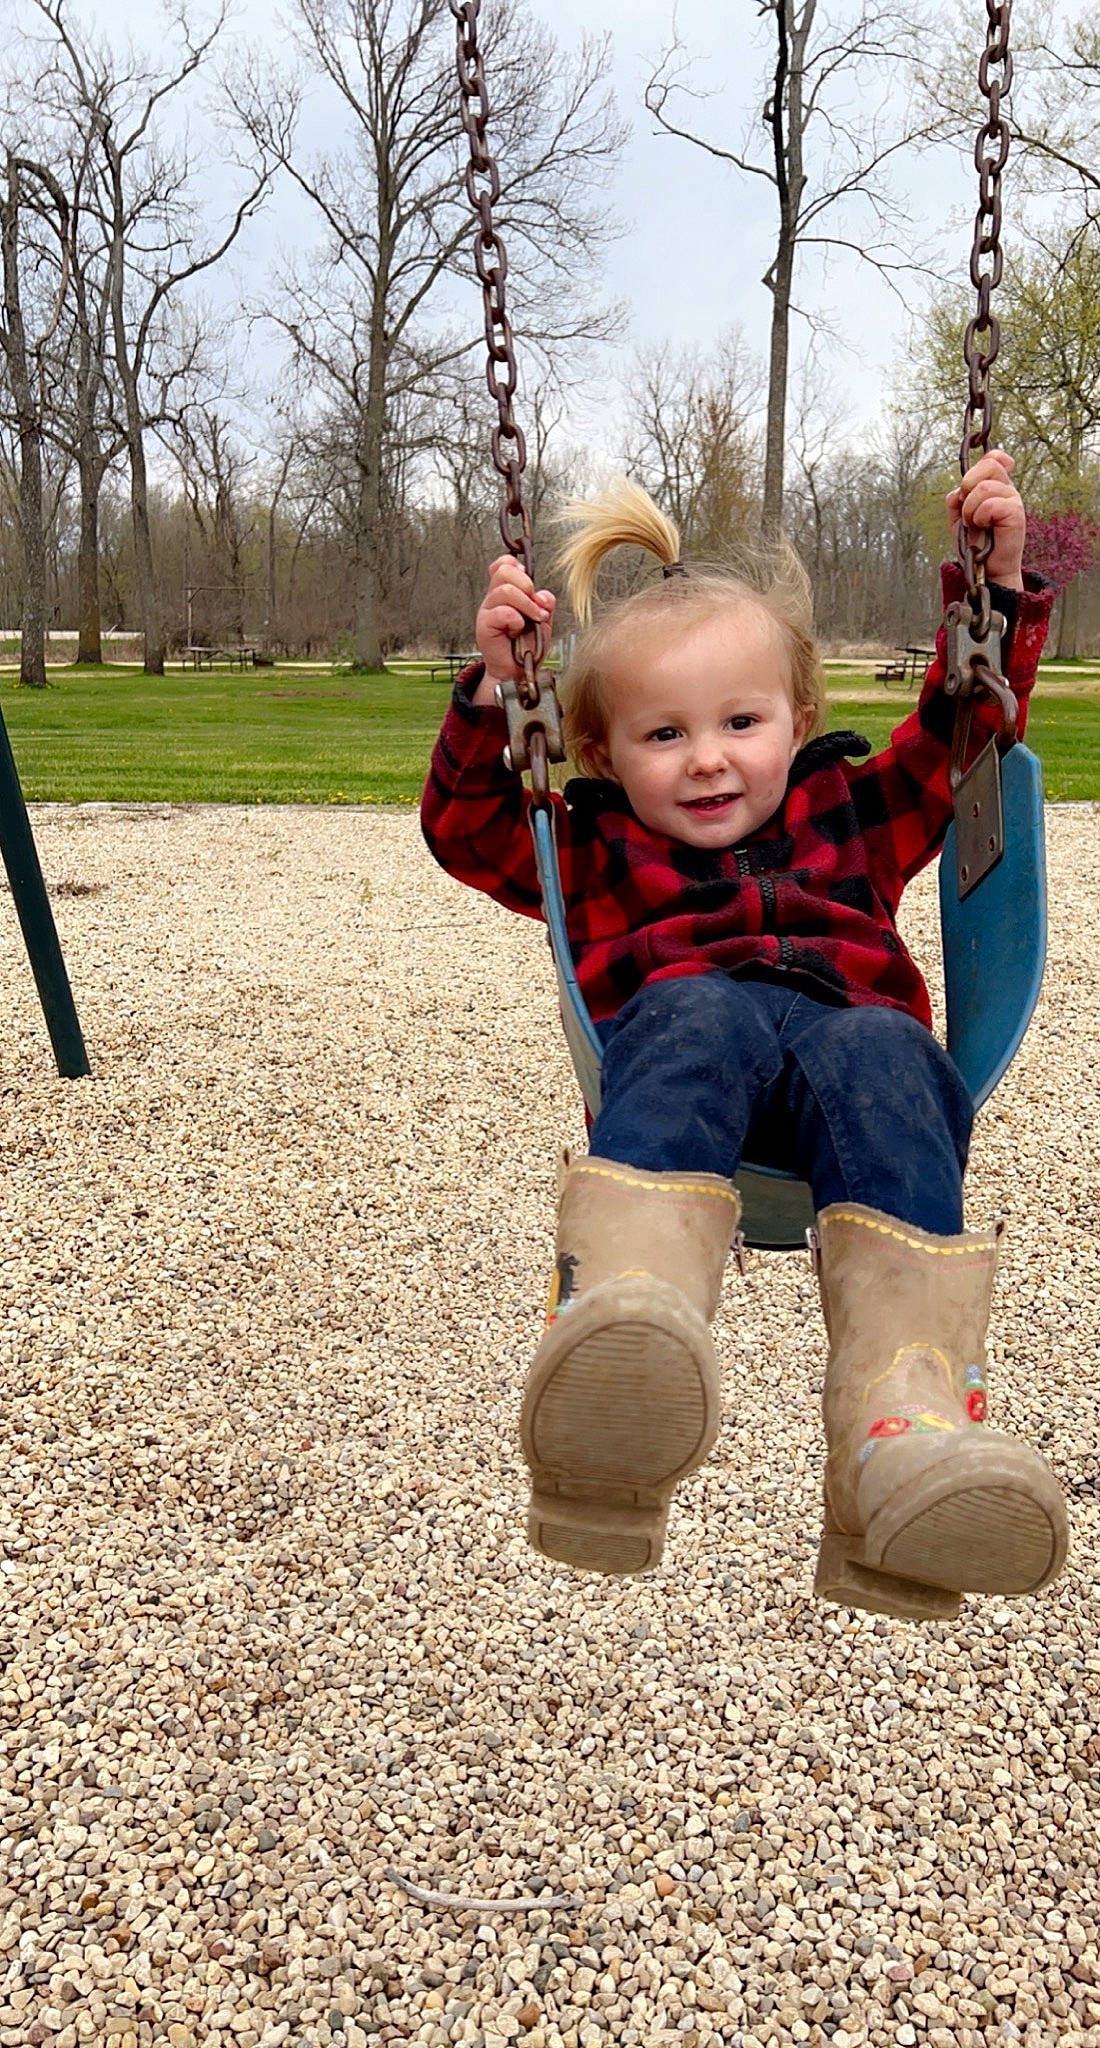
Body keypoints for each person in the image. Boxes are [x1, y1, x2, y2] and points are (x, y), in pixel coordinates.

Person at [420, 450, 1069, 1619]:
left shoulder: (851, 811)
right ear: (600, 753)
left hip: (846, 1067)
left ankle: (903, 1426)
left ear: (798, 719)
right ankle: (625, 1326)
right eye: (662, 733)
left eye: (738, 720)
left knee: (891, 1053)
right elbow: (468, 830)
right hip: (688, 1067)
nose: (707, 756)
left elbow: (962, 733)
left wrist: (997, 590)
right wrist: (488, 692)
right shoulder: (594, 842)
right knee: (694, 1009)